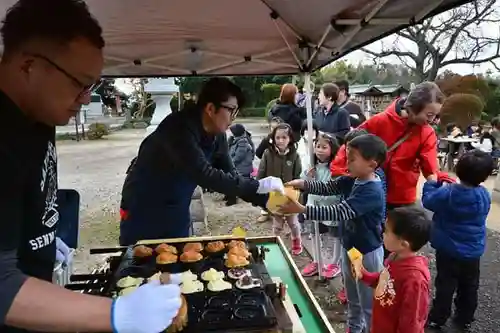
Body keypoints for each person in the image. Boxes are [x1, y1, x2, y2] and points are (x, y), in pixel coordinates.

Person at [0, 1, 185, 333]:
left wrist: (40, 238)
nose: (86, 98)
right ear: (29, 66)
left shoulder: (39, 115)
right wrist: (116, 315)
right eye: (80, 83)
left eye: (93, 87)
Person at [119, 77, 284, 246]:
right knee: (139, 260)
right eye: (232, 110)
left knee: (178, 256)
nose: (234, 118)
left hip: (177, 204)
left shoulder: (218, 134)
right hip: (141, 205)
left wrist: (268, 201)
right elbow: (204, 174)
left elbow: (231, 176)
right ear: (211, 108)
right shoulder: (178, 127)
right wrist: (259, 186)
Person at [282, 134, 387, 333]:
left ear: (372, 164)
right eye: (347, 157)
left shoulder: (372, 191)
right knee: (353, 295)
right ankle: (354, 327)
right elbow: (328, 187)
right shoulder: (353, 179)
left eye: (352, 159)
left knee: (368, 301)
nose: (347, 162)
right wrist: (303, 184)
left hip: (368, 253)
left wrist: (302, 209)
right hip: (351, 247)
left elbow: (339, 211)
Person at [423, 149, 494, 331]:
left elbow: (429, 201)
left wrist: (432, 184)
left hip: (448, 250)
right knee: (470, 286)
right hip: (472, 251)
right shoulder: (484, 195)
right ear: (485, 177)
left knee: (445, 285)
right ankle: (465, 318)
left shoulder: (448, 194)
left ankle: (438, 318)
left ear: (458, 168)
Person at [358, 82, 447, 211]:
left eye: (435, 115)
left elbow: (430, 166)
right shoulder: (379, 121)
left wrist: (438, 187)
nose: (433, 120)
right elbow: (352, 144)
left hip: (402, 198)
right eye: (429, 115)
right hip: (371, 191)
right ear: (414, 107)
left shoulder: (426, 132)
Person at [354, 206, 431, 333]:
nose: (382, 233)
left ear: (403, 244)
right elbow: (386, 280)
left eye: (387, 231)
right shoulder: (394, 256)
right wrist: (365, 275)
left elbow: (411, 323)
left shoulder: (415, 280)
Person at [300, 133, 342, 278]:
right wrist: (307, 175)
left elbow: (334, 190)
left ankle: (335, 263)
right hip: (313, 205)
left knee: (336, 235)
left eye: (324, 147)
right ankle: (317, 261)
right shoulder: (312, 165)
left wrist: (318, 192)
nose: (319, 150)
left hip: (330, 208)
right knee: (315, 232)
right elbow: (302, 181)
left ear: (332, 149)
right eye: (317, 146)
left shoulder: (335, 168)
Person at [257, 123, 302, 255]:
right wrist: (258, 189)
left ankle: (296, 240)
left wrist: (298, 193)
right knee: (277, 224)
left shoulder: (295, 155)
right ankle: (274, 242)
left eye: (284, 137)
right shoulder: (267, 153)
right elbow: (261, 172)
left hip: (290, 195)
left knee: (293, 222)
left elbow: (298, 175)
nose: (281, 140)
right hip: (274, 195)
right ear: (273, 138)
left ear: (290, 139)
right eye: (278, 137)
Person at [255, 117, 283, 223]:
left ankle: (280, 212)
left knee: (280, 191)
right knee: (266, 192)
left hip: (282, 170)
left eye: (277, 128)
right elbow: (258, 153)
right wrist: (266, 158)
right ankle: (265, 212)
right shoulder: (267, 140)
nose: (274, 130)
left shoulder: (286, 139)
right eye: (272, 128)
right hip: (269, 169)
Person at [225, 123, 256, 205]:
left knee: (232, 179)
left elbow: (238, 157)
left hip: (242, 167)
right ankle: (228, 195)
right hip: (238, 166)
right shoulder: (235, 140)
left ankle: (232, 198)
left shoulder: (243, 142)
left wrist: (229, 163)